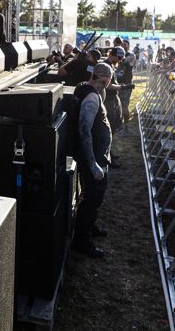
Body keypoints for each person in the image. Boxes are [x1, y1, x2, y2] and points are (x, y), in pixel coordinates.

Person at [70, 63, 115, 258]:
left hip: (97, 154)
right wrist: (92, 163)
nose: (109, 82)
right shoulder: (91, 96)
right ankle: (82, 240)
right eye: (107, 78)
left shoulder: (85, 88)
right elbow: (84, 129)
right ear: (99, 76)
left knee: (94, 197)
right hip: (93, 157)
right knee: (92, 197)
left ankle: (90, 226)